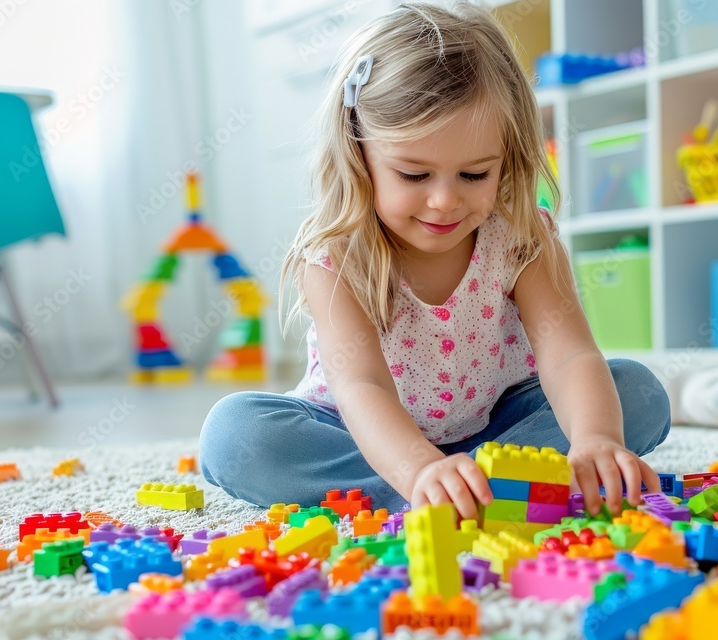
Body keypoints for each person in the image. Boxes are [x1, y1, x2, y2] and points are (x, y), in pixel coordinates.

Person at [198, 2, 671, 519]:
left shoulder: (522, 237)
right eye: (414, 175)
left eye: (474, 175)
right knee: (236, 435)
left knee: (637, 394)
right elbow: (361, 386)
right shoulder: (336, 257)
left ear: (507, 159)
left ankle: (470, 485)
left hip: (498, 425)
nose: (445, 201)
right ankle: (455, 489)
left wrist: (596, 438)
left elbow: (568, 355)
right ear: (359, 156)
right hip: (364, 438)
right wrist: (419, 468)